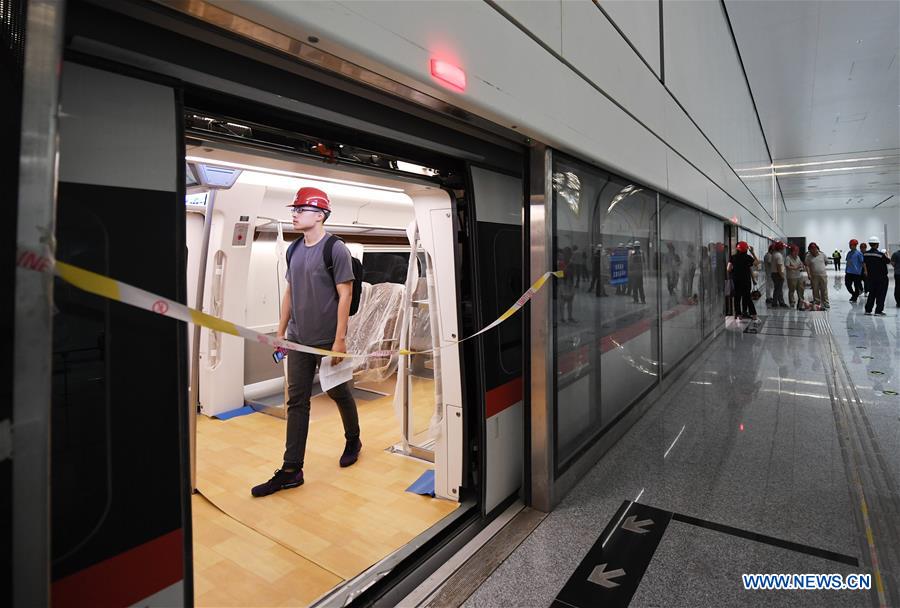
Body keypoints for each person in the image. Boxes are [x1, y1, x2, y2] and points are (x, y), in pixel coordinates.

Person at [252, 187, 361, 497]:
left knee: (339, 392)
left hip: (327, 341)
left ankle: (353, 439)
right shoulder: (293, 250)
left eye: (301, 209)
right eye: (295, 209)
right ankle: (291, 470)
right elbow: (289, 293)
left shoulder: (335, 249)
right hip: (299, 340)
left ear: (320, 214)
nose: (295, 214)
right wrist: (281, 331)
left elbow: (346, 295)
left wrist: (340, 341)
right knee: (297, 401)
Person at [727, 241, 759, 319]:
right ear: (746, 249)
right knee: (747, 297)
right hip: (746, 281)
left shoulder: (733, 257)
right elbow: (757, 262)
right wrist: (753, 252)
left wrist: (734, 271)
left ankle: (739, 315)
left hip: (736, 281)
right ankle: (753, 315)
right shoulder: (748, 257)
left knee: (737, 297)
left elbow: (728, 269)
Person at [863, 236, 890, 316]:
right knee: (881, 294)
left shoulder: (866, 254)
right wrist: (887, 254)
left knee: (872, 293)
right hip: (881, 278)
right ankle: (878, 311)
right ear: (877, 244)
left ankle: (868, 310)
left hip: (871, 277)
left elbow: (864, 263)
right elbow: (888, 261)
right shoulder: (880, 255)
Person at [805, 242, 829, 308]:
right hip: (814, 276)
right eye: (811, 250)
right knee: (815, 289)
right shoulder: (808, 256)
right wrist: (809, 274)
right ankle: (817, 302)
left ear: (816, 248)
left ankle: (825, 302)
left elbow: (826, 262)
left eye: (813, 249)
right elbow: (806, 265)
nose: (812, 251)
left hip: (823, 275)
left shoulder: (822, 254)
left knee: (824, 289)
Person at [770, 241, 787, 307]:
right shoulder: (779, 255)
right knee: (777, 289)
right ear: (781, 248)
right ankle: (774, 303)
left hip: (774, 273)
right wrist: (782, 275)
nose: (783, 249)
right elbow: (779, 266)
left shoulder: (774, 254)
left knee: (778, 289)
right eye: (783, 247)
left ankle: (781, 302)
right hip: (778, 274)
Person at [629, 240, 646, 304]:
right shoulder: (642, 253)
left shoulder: (632, 253)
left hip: (634, 273)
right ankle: (643, 300)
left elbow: (630, 263)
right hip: (640, 272)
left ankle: (636, 300)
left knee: (635, 287)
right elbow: (644, 262)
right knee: (641, 287)